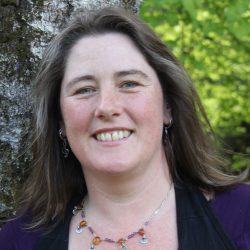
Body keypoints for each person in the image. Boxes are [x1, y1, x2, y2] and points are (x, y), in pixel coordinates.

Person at [0, 7, 249, 250]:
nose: (106, 107)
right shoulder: (19, 240)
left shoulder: (243, 217)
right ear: (61, 122)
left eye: (129, 83)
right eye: (84, 89)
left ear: (168, 106)